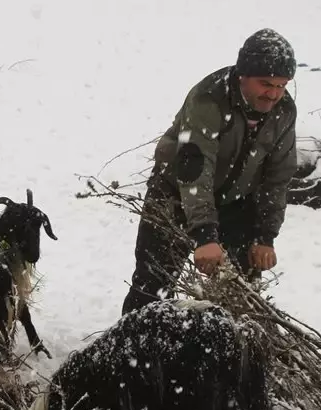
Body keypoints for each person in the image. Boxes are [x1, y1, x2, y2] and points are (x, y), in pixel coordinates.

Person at [121, 28, 299, 316]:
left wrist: (265, 236)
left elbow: (278, 176)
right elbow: (194, 169)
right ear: (243, 75)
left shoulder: (284, 111)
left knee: (241, 294)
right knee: (152, 286)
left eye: (282, 85)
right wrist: (205, 235)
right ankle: (132, 353)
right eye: (266, 84)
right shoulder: (209, 98)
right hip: (175, 195)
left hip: (235, 203)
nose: (274, 94)